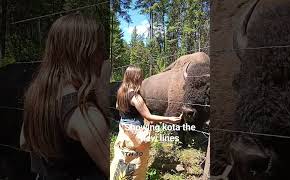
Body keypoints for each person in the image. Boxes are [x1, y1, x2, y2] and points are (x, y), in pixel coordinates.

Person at [19, 13, 110, 180]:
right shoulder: (85, 114)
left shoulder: (37, 97)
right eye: (100, 47)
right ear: (83, 54)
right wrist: (102, 89)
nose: (104, 55)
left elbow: (24, 142)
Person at [110, 66, 182, 179]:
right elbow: (149, 116)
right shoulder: (135, 97)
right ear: (136, 78)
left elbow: (118, 106)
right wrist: (170, 119)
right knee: (138, 163)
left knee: (122, 159)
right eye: (140, 76)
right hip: (135, 134)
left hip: (123, 130)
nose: (142, 79)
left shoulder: (121, 92)